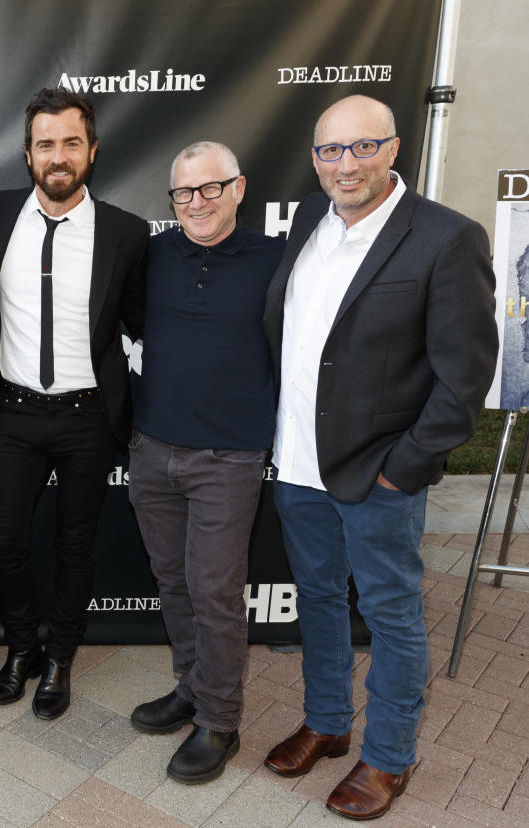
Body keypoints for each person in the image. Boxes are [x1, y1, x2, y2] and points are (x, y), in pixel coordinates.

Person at [262, 95, 497, 820]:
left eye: (363, 147)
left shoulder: (446, 238)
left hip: (379, 475)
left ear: (395, 149)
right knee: (321, 599)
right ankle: (329, 721)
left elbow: (464, 379)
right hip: (298, 464)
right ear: (314, 160)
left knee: (391, 615)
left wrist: (405, 465)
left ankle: (389, 756)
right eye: (330, 151)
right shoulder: (309, 220)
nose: (345, 164)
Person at [0, 87, 148, 720]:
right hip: (14, 412)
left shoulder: (126, 234)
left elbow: (143, 323)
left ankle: (60, 659)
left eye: (70, 143)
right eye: (45, 144)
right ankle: (21, 649)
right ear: (27, 155)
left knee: (76, 544)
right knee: (5, 539)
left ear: (92, 151)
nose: (58, 156)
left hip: (87, 418)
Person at [126, 141, 283, 783]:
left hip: (229, 456)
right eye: (184, 193)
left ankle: (220, 721)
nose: (196, 203)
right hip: (152, 449)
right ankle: (191, 687)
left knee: (215, 590)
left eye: (210, 189)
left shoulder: (278, 260)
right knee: (173, 581)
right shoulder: (153, 256)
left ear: (240, 189)